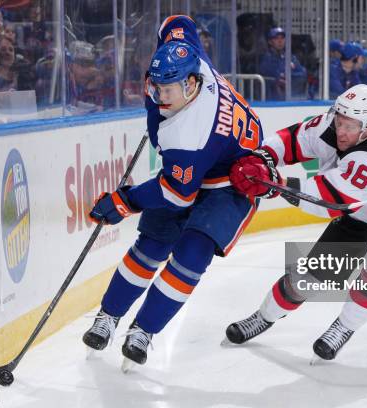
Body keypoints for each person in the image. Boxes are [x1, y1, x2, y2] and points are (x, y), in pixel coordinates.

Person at [82, 15, 268, 367]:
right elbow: (177, 21)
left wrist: (124, 201)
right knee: (151, 245)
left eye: (168, 90)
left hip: (228, 183)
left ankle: (144, 329)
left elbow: (175, 195)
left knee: (192, 254)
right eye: (155, 86)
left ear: (192, 84)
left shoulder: (190, 134)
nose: (159, 95)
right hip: (201, 164)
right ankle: (108, 316)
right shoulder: (189, 55)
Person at [224, 84, 367, 361]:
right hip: (360, 218)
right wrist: (262, 157)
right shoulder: (334, 125)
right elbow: (293, 140)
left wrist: (272, 183)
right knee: (305, 280)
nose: (341, 131)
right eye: (340, 121)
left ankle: (343, 327)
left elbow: (328, 200)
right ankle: (262, 317)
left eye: (350, 126)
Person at [259, 27, 307, 100]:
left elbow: (302, 73)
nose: (280, 41)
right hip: (271, 100)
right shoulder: (266, 58)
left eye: (282, 38)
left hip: (291, 97)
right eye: (276, 38)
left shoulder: (291, 57)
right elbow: (274, 76)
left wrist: (289, 76)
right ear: (270, 41)